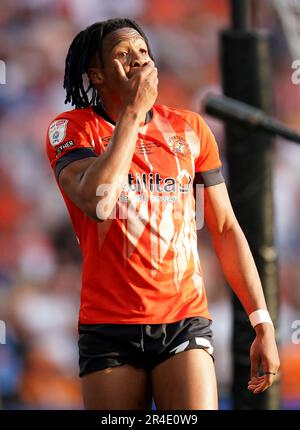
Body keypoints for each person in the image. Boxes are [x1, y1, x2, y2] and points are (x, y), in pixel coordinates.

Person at [45, 18, 280, 410]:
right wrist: (133, 115)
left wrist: (262, 321)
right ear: (97, 76)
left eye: (142, 51)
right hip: (109, 325)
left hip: (183, 316)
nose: (137, 60)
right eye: (122, 55)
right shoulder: (72, 129)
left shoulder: (189, 129)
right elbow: (99, 202)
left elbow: (224, 227)